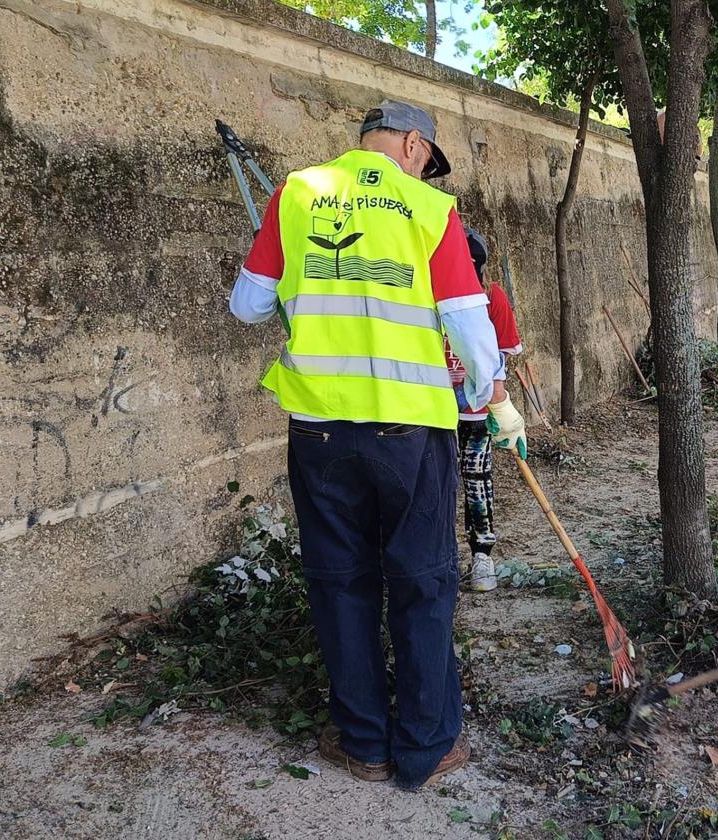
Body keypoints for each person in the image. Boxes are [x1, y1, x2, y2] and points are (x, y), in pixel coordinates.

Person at [228, 100, 528, 790]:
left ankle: (364, 744)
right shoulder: (428, 210)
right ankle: (427, 748)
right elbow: (467, 320)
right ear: (415, 146)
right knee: (422, 583)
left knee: (341, 583)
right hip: (409, 432)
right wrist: (492, 398)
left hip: (321, 430)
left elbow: (247, 306)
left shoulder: (295, 195)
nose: (427, 167)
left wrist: (296, 289)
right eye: (428, 157)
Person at [446, 227, 523, 592]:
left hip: (476, 411)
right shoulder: (425, 296)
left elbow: (503, 356)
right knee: (439, 484)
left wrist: (502, 409)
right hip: (431, 411)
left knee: (477, 479)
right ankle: (443, 560)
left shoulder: (492, 298)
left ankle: (482, 556)